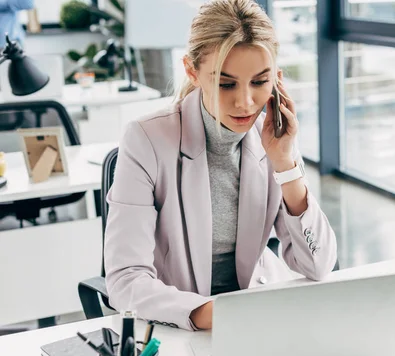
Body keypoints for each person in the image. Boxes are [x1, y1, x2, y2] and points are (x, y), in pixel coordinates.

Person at [104, 0, 337, 331]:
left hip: (259, 311)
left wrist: (285, 164)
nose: (245, 102)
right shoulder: (146, 139)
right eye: (226, 83)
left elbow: (317, 266)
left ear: (277, 80)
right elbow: (126, 280)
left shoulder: (273, 135)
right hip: (180, 319)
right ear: (192, 71)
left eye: (260, 82)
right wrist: (215, 315)